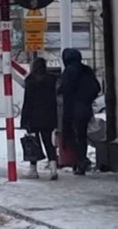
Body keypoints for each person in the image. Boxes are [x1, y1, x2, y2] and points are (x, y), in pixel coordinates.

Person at [58, 48, 101, 176]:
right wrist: (87, 99)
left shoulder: (69, 71)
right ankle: (81, 160)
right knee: (81, 136)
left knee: (71, 136)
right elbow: (96, 87)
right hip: (85, 108)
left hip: (71, 109)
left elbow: (64, 89)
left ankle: (80, 160)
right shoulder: (86, 70)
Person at [20, 57, 58, 180]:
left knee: (34, 144)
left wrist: (24, 119)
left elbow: (28, 102)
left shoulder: (30, 81)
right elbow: (54, 101)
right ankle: (53, 169)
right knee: (48, 143)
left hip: (33, 117)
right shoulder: (51, 80)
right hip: (48, 116)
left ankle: (33, 170)